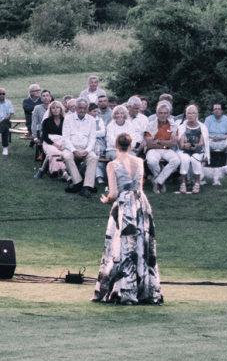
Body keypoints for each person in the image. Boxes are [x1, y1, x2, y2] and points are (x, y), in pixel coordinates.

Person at [93, 132, 163, 305]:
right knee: (141, 244)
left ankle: (124, 290)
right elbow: (138, 187)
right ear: (131, 146)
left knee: (122, 246)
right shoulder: (140, 162)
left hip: (125, 205)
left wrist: (106, 200)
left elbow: (114, 193)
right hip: (141, 204)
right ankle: (144, 290)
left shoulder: (113, 165)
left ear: (116, 145)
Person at [62, 98, 101, 197]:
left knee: (94, 157)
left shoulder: (91, 120)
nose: (82, 110)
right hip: (71, 148)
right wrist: (74, 150)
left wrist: (87, 151)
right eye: (80, 108)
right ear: (75, 108)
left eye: (84, 108)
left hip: (85, 149)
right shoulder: (68, 118)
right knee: (66, 156)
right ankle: (78, 183)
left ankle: (86, 187)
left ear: (87, 108)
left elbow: (92, 139)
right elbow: (66, 138)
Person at [145, 102, 181, 194]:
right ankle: (161, 182)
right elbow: (149, 144)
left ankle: (157, 181)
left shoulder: (173, 125)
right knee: (152, 161)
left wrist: (159, 141)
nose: (163, 115)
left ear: (169, 114)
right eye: (161, 113)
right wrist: (166, 143)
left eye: (165, 113)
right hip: (153, 150)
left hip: (167, 150)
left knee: (176, 160)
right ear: (157, 114)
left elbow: (173, 143)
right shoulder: (150, 125)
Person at [176, 105, 208, 194]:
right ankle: (183, 183)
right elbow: (180, 143)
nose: (191, 115)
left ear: (197, 115)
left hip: (197, 149)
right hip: (184, 150)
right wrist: (185, 145)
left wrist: (195, 146)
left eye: (193, 113)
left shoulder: (202, 127)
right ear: (186, 115)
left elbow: (202, 142)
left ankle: (197, 183)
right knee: (185, 159)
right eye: (188, 113)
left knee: (194, 159)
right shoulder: (182, 127)